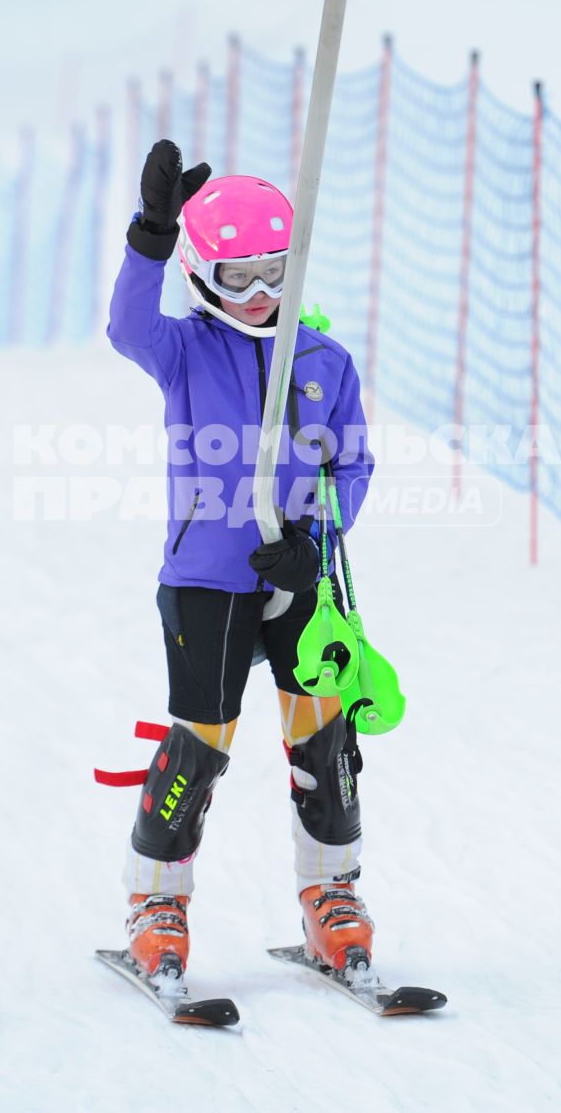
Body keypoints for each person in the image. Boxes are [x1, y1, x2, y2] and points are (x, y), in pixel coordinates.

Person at [106, 139, 376, 989]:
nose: (260, 297)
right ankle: (157, 901)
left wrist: (317, 544)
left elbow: (351, 467)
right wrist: (151, 234)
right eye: (239, 279)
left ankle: (332, 893)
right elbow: (126, 326)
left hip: (297, 580)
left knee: (324, 734)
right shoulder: (184, 351)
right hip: (206, 579)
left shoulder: (324, 363)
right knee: (201, 743)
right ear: (202, 277)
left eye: (275, 274)